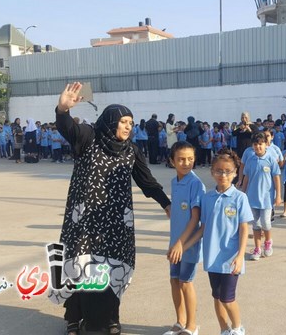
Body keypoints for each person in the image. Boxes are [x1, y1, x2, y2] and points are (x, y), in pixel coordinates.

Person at [48, 83, 171, 335]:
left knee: (113, 267)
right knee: (79, 265)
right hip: (83, 220)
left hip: (117, 223)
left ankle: (111, 318)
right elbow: (67, 128)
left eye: (130, 122)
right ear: (110, 121)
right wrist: (63, 109)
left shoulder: (132, 151)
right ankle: (74, 318)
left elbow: (147, 182)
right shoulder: (88, 138)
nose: (128, 126)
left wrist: (166, 204)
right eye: (123, 121)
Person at [183, 149, 251, 335]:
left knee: (228, 298)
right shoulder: (207, 198)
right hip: (212, 258)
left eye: (228, 171)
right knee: (217, 296)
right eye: (219, 170)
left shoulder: (240, 198)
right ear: (212, 172)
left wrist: (240, 256)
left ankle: (238, 328)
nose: (223, 175)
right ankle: (224, 329)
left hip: (231, 259)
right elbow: (203, 228)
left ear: (236, 172)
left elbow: (244, 228)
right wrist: (184, 246)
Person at [164, 141, 206, 335]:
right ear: (172, 161)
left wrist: (181, 244)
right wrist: (174, 243)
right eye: (181, 159)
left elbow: (195, 218)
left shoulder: (196, 183)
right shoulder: (175, 182)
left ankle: (191, 325)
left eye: (190, 159)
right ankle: (180, 321)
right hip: (175, 243)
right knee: (174, 281)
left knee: (186, 282)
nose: (186, 163)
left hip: (188, 245)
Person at [242, 132, 281, 261]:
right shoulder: (250, 159)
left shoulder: (270, 159)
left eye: (261, 144)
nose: (258, 147)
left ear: (266, 144)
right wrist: (243, 193)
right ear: (252, 146)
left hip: (266, 199)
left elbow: (276, 178)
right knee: (255, 225)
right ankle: (257, 248)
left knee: (265, 222)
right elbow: (246, 177)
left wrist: (278, 195)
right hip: (252, 198)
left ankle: (268, 242)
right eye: (255, 144)